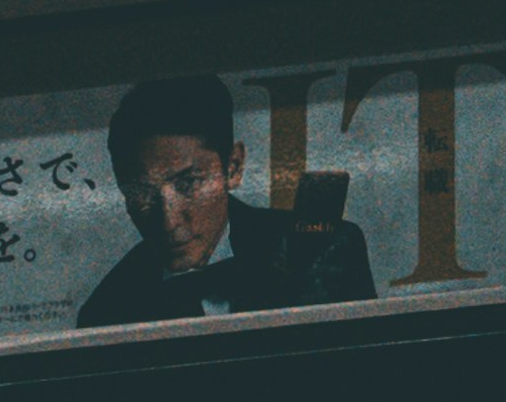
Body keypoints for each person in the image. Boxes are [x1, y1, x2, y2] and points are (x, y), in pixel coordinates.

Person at [76, 73, 376, 323]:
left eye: (188, 183)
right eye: (141, 192)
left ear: (233, 167)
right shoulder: (105, 312)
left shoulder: (328, 252)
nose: (168, 221)